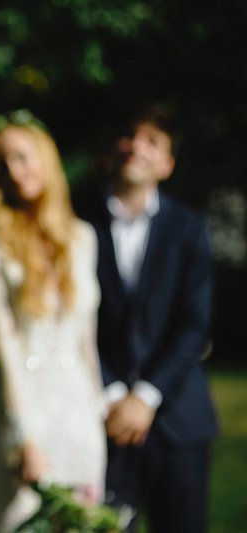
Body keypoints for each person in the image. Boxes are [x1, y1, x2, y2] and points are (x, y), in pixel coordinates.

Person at [74, 105, 217, 532]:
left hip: (178, 417)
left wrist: (146, 396)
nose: (137, 146)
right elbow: (74, 319)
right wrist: (114, 393)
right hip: (101, 417)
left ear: (167, 165)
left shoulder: (189, 228)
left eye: (152, 141)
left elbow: (195, 325)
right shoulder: (77, 221)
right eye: (130, 136)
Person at [0, 116, 107, 532]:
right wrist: (23, 438)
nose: (13, 171)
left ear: (46, 160)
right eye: (2, 165)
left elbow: (87, 340)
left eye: (21, 157)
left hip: (80, 418)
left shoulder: (83, 239)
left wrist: (98, 411)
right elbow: (3, 343)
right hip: (21, 412)